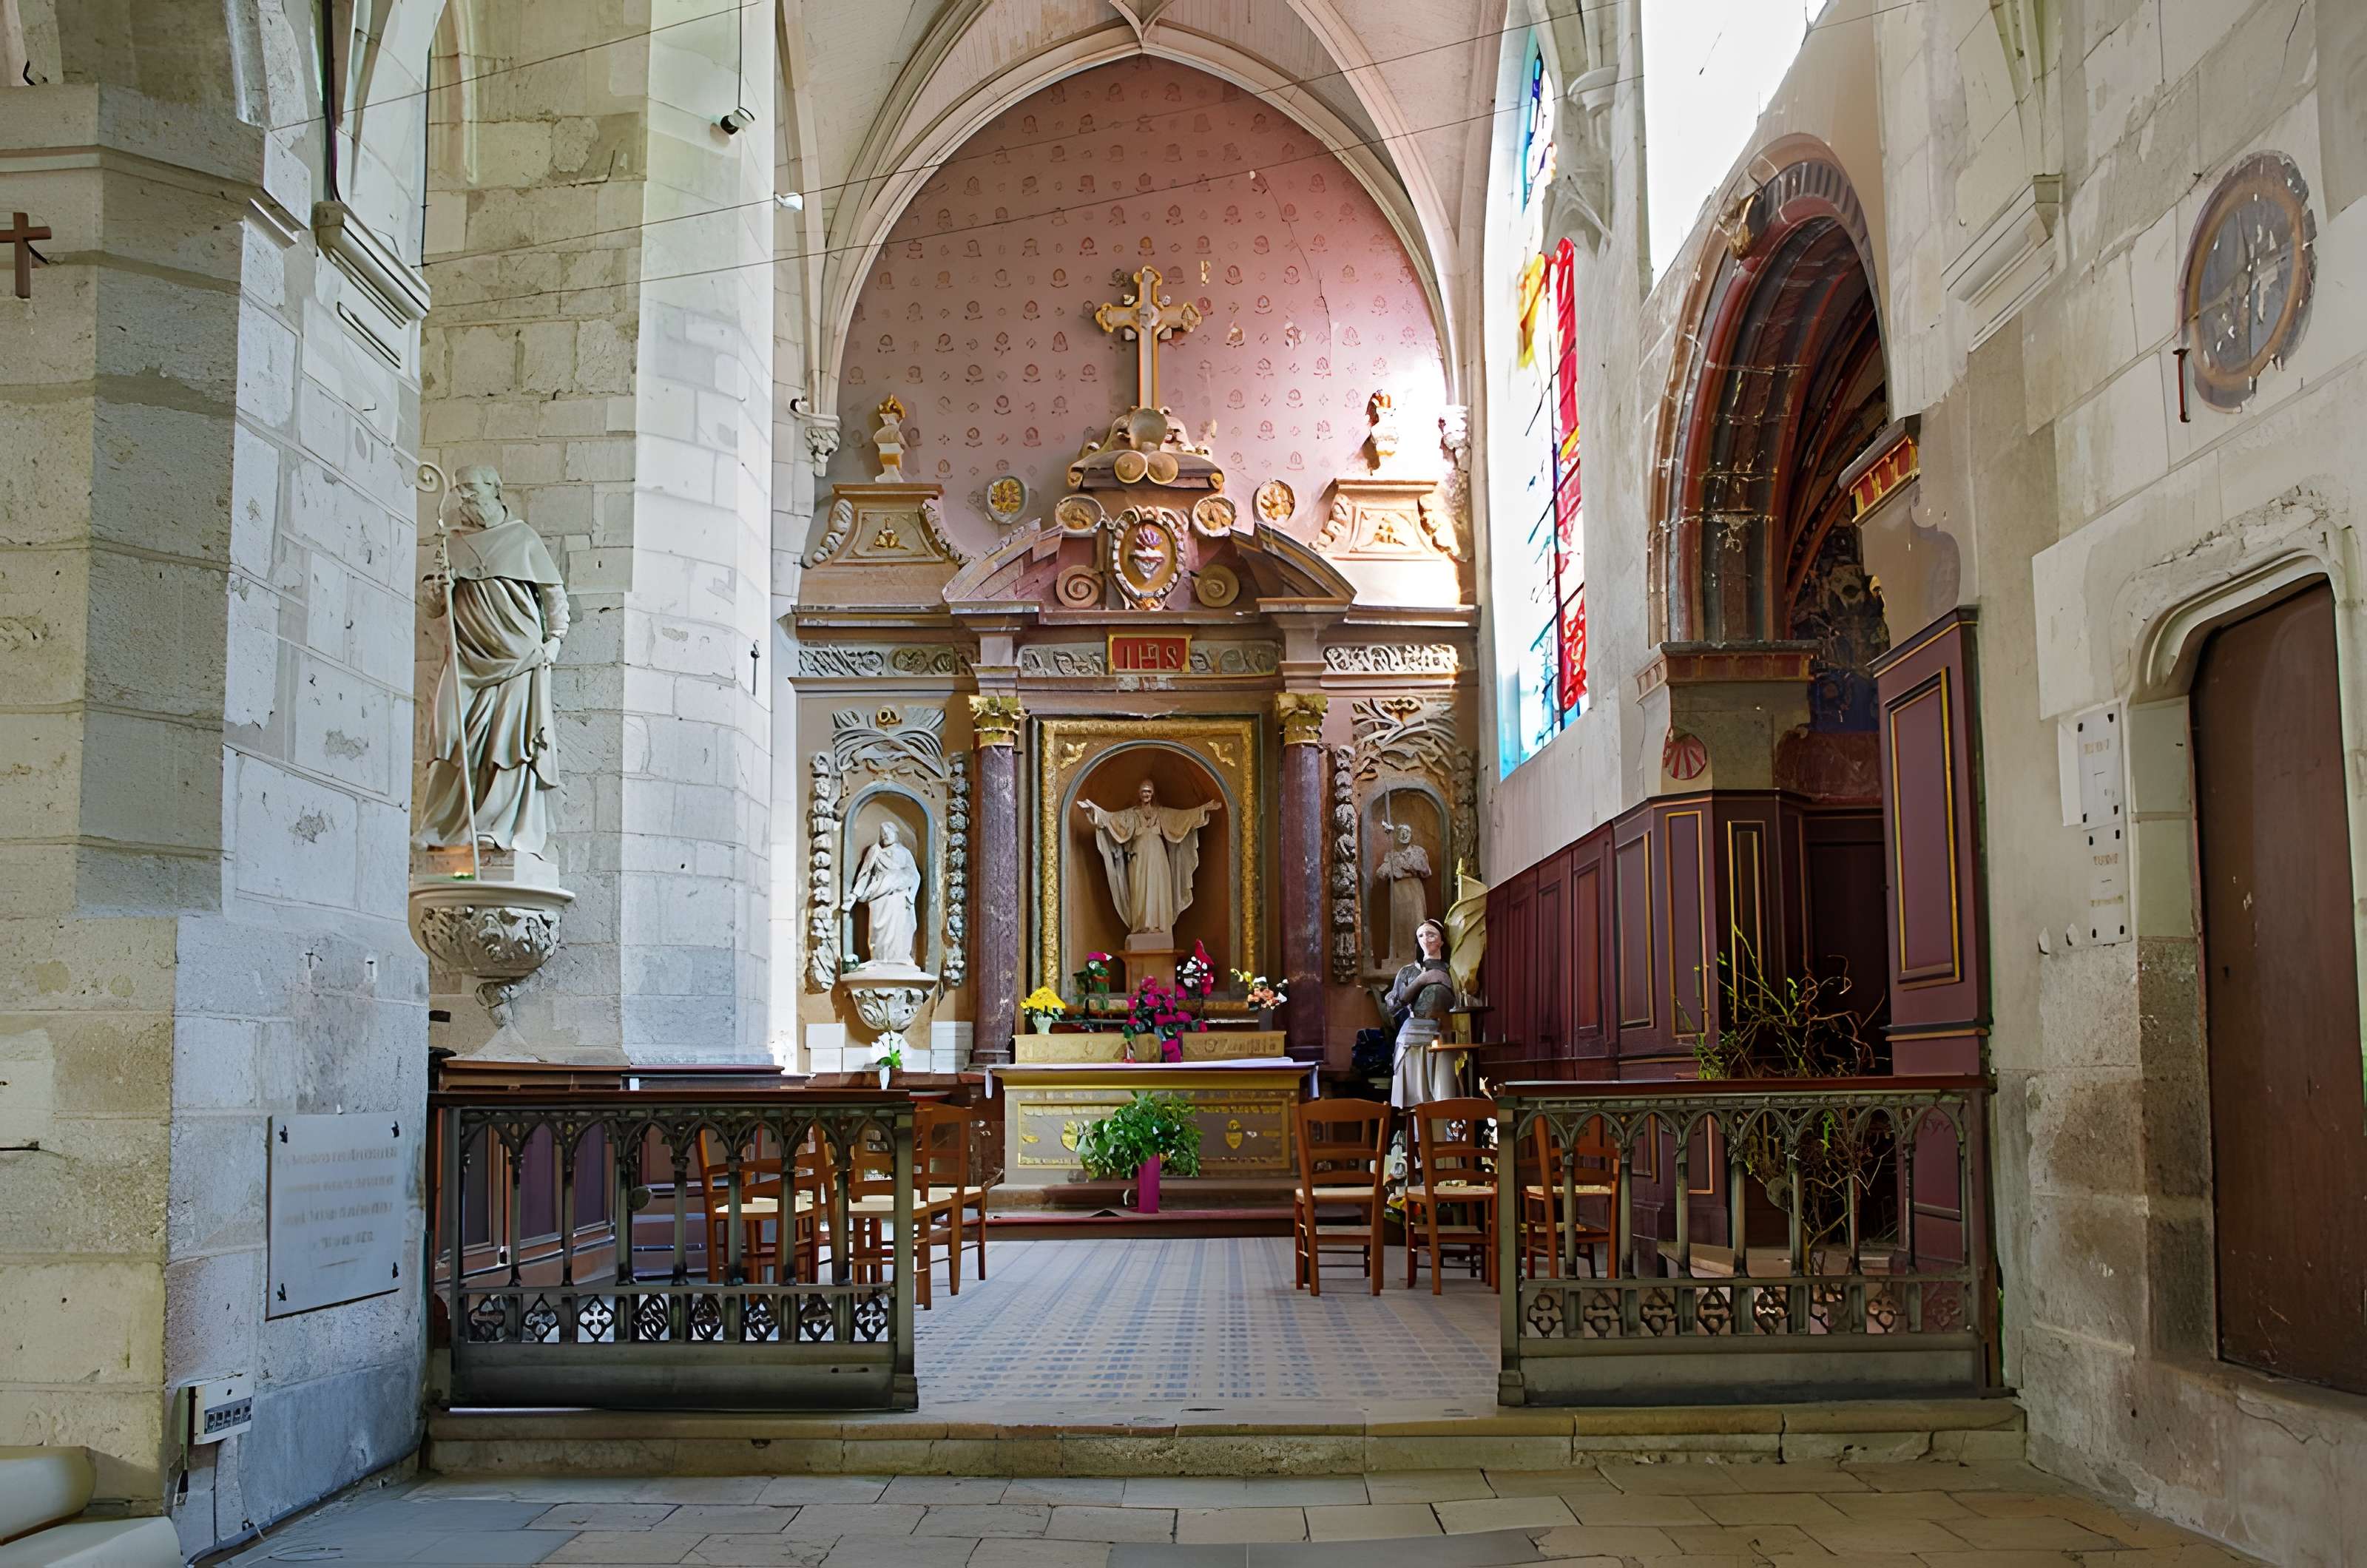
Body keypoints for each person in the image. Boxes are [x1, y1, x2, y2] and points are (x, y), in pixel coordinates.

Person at [415, 465, 569, 854]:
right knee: (451, 736)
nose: (467, 498)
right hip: (467, 660)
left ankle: (499, 827)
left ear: (496, 490)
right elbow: (433, 608)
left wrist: (554, 642)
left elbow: (554, 597)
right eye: (460, 491)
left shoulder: (522, 538)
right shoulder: (451, 544)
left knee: (509, 741)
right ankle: (445, 827)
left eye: (473, 490)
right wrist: (440, 587)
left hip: (519, 658)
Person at [1077, 779, 1218, 942]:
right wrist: (1094, 811)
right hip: (1139, 854)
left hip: (1158, 854)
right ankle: (1142, 925)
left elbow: (1182, 817)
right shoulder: (1131, 814)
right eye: (1143, 791)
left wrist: (1202, 810)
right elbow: (1111, 819)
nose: (1146, 794)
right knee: (1140, 887)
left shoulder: (1161, 812)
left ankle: (1160, 926)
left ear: (1153, 794)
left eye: (1149, 791)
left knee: (1158, 885)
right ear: (1139, 793)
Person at [1385, 918, 1459, 1109]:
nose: (1425, 939)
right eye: (1421, 935)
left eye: (1431, 934)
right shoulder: (1409, 972)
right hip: (1413, 1038)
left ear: (1442, 940)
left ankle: (1449, 1138)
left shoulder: (1454, 971)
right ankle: (1417, 1137)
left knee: (1445, 1095)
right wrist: (1422, 980)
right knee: (1416, 1099)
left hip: (1444, 1036)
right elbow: (1393, 1007)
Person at [845, 820, 922, 969]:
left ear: (895, 834)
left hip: (899, 897)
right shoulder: (875, 851)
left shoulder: (905, 853)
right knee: (878, 928)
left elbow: (915, 876)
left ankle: (899, 959)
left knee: (899, 928)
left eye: (888, 833)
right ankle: (879, 959)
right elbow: (865, 875)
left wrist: (911, 897)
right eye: (883, 834)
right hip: (878, 897)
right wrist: (854, 895)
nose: (885, 836)